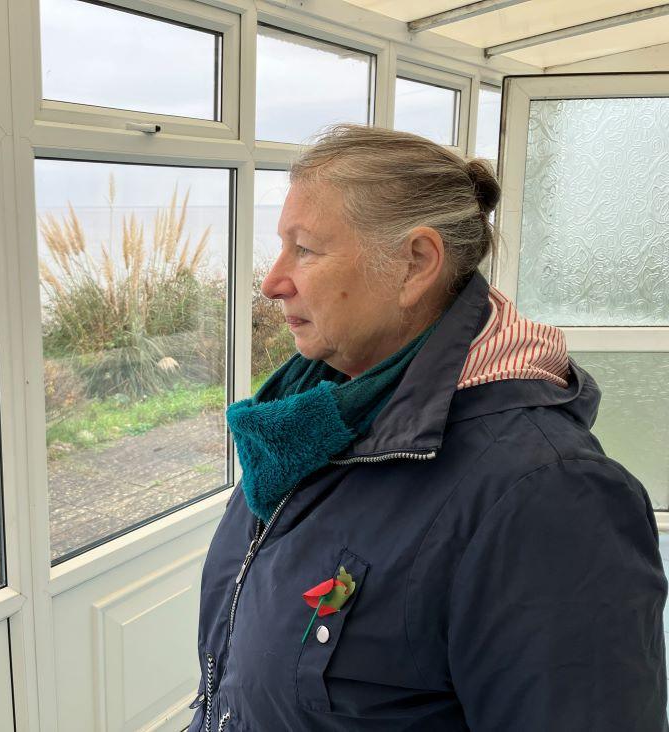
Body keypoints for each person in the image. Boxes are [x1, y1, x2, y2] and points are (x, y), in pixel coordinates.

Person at [188, 124, 668, 731]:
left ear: (415, 263)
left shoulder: (547, 495)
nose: (272, 281)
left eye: (304, 249)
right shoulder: (304, 423)